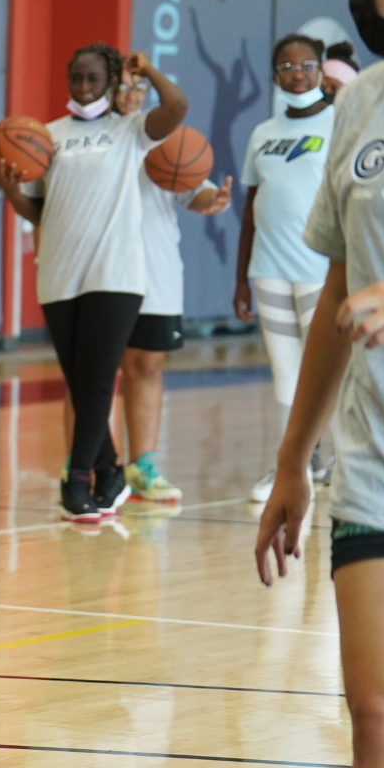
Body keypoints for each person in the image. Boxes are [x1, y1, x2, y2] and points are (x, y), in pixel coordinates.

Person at [257, 0, 384, 768]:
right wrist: (294, 459)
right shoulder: (360, 107)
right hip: (371, 461)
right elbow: (343, 281)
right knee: (376, 726)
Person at [0, 44, 187, 522]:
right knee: (81, 383)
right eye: (76, 78)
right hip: (59, 273)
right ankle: (110, 469)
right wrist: (12, 187)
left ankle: (79, 481)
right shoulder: (46, 137)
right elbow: (39, 211)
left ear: (112, 81)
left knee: (98, 378)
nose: (83, 87)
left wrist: (148, 71)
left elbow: (177, 108)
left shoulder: (130, 131)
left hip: (116, 274)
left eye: (94, 79)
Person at [108, 72, 230, 502]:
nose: (131, 94)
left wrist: (210, 201)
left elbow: (193, 191)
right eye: (121, 86)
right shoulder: (93, 138)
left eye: (137, 88)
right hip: (102, 271)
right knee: (98, 374)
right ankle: (98, 467)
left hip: (155, 271)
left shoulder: (164, 139)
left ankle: (142, 467)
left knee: (147, 367)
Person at [236, 34, 336, 502]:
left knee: (328, 371)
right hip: (268, 268)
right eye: (285, 66)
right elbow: (251, 205)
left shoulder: (341, 121)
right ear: (274, 74)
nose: (296, 73)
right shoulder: (263, 133)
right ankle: (291, 464)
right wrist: (240, 277)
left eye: (305, 64)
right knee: (285, 371)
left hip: (321, 270)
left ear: (321, 68)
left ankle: (335, 460)